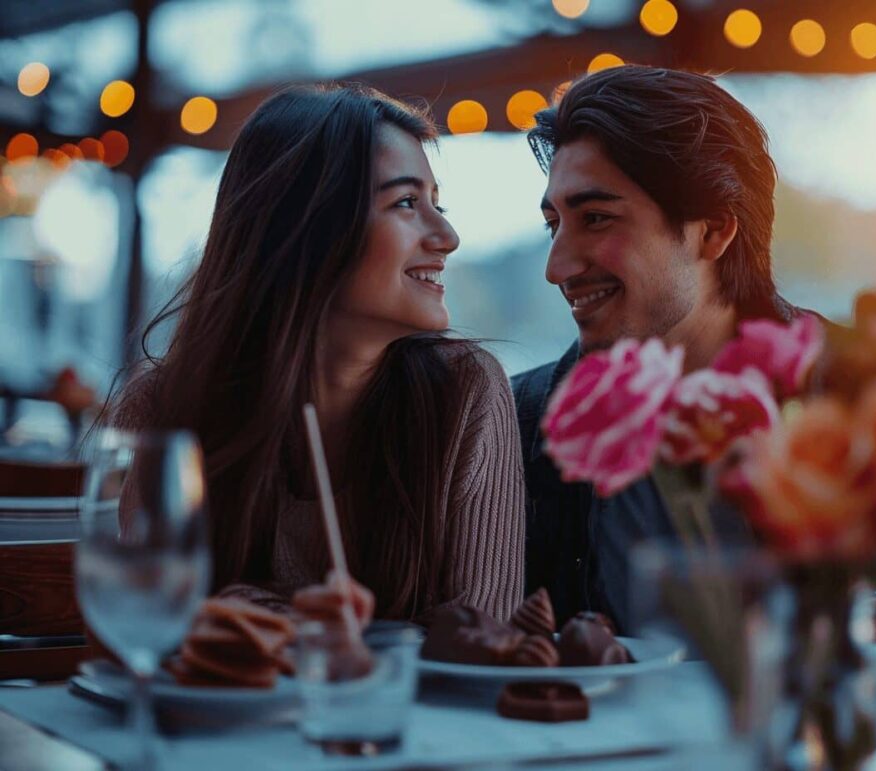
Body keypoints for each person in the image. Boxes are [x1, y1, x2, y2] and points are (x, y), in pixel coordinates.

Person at [109, 84, 525, 624]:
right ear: (306, 228)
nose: (446, 235)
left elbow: (482, 645)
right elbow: (146, 627)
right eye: (405, 203)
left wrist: (264, 615)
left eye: (436, 204)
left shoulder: (465, 393)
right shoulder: (164, 410)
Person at [513, 65, 821, 631]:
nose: (557, 268)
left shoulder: (858, 393)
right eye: (553, 224)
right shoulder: (517, 421)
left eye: (597, 218)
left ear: (714, 230)